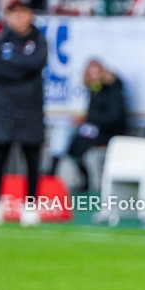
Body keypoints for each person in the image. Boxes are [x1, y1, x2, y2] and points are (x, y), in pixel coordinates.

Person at [0, 0, 48, 227]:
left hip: (31, 108)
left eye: (22, 13)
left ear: (30, 16)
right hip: (3, 108)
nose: (18, 19)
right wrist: (21, 68)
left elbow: (35, 64)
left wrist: (13, 67)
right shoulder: (0, 43)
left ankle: (31, 206)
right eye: (13, 14)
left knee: (32, 159)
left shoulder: (39, 42)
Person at [57, 59, 127, 192]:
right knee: (73, 146)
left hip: (110, 132)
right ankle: (83, 181)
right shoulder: (94, 91)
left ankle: (94, 187)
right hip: (98, 130)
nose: (94, 77)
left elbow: (114, 117)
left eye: (97, 73)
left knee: (82, 147)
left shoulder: (113, 90)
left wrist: (88, 118)